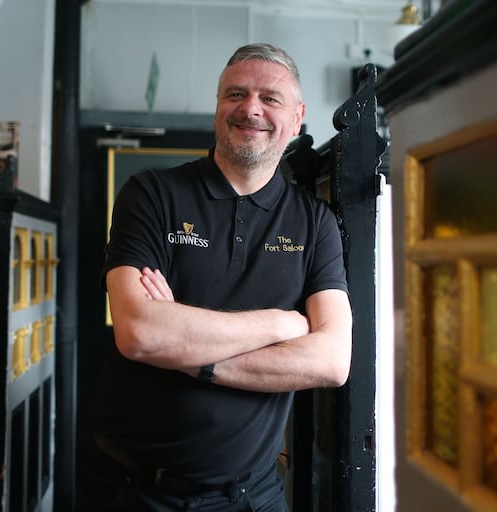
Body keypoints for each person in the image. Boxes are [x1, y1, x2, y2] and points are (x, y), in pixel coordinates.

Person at [78, 43, 353, 511]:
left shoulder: (315, 222)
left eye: (270, 98)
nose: (251, 109)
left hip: (255, 496)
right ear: (217, 109)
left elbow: (329, 361)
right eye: (236, 94)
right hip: (136, 492)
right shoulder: (151, 195)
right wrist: (281, 325)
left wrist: (190, 356)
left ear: (297, 116)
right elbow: (141, 334)